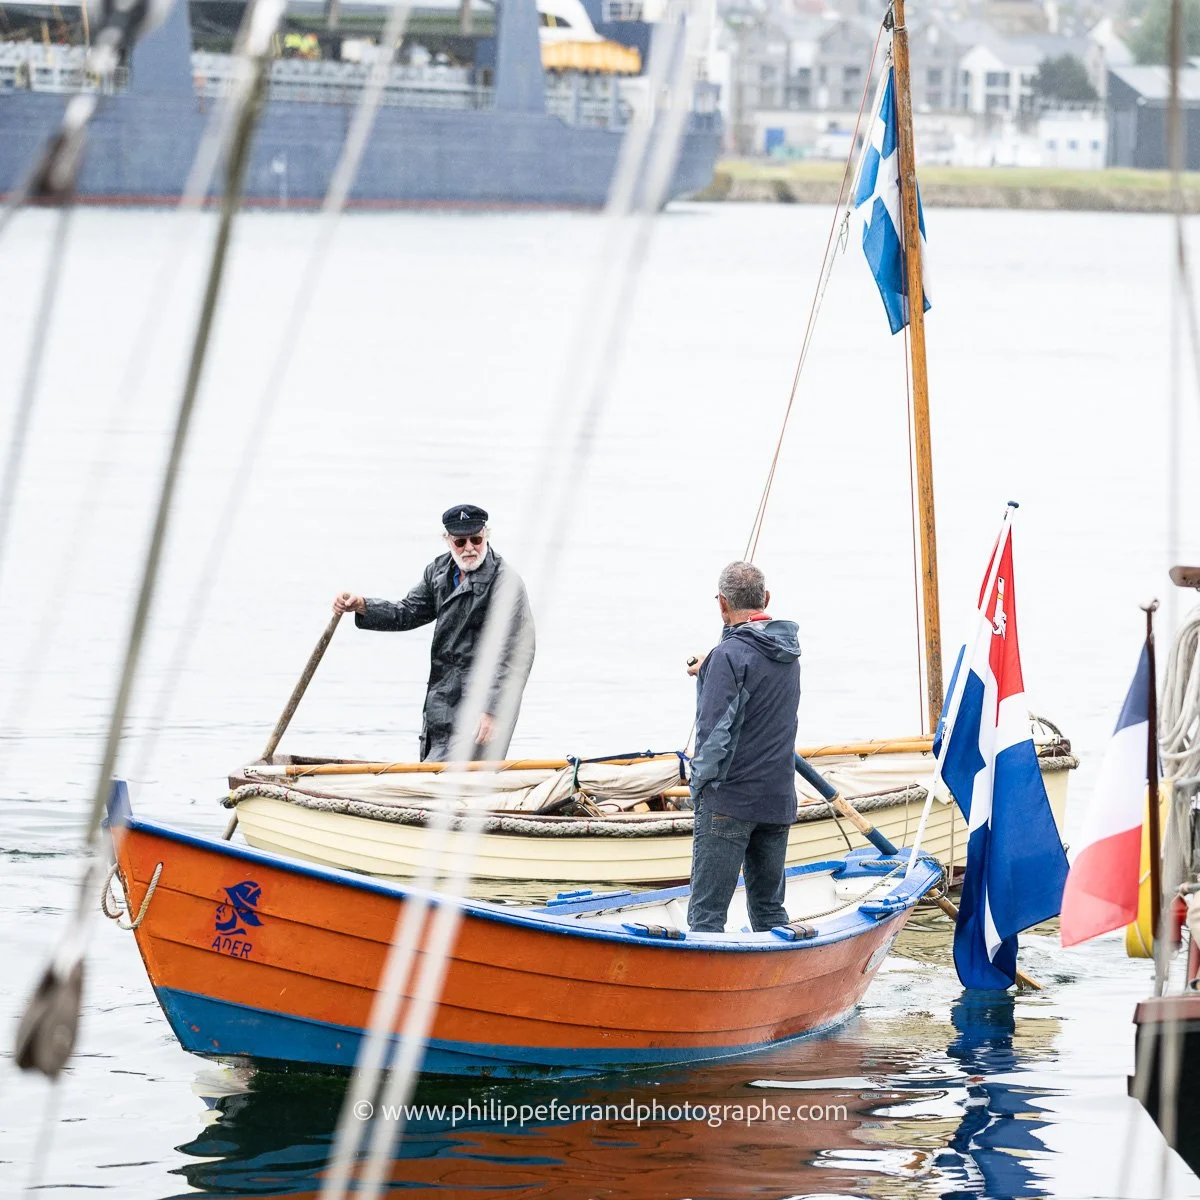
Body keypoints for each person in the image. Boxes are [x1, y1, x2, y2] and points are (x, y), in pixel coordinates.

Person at [333, 505, 535, 761]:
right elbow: (407, 613)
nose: (469, 548)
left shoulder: (506, 582)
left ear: (486, 535)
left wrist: (493, 710)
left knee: (462, 776)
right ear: (448, 540)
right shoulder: (438, 571)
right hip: (442, 698)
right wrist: (363, 605)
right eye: (460, 542)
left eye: (476, 539)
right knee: (433, 774)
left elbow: (516, 652)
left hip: (482, 700)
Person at [685, 561, 801, 934]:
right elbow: (754, 674)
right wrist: (712, 667)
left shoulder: (728, 657)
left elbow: (713, 738)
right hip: (776, 801)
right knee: (769, 911)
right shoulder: (789, 654)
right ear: (766, 598)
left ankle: (702, 990)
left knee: (706, 918)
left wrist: (698, 788)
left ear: (722, 604)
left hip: (729, 803)